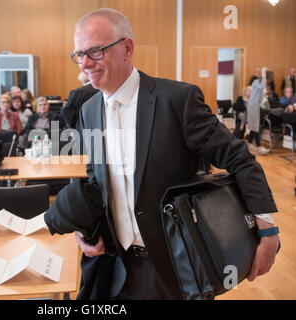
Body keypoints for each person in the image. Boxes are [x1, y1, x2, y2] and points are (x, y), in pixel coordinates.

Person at [64, 8, 279, 300]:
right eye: (79, 54)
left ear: (127, 48)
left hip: (178, 270)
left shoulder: (177, 100)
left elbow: (238, 157)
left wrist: (266, 229)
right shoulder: (88, 110)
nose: (85, 63)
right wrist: (85, 227)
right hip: (117, 268)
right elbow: (97, 177)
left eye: (95, 51)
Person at [246, 67, 270, 155]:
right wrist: (263, 72)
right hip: (253, 106)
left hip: (255, 106)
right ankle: (259, 147)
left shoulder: (260, 84)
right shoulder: (256, 82)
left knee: (253, 125)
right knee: (255, 125)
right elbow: (262, 85)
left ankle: (249, 143)